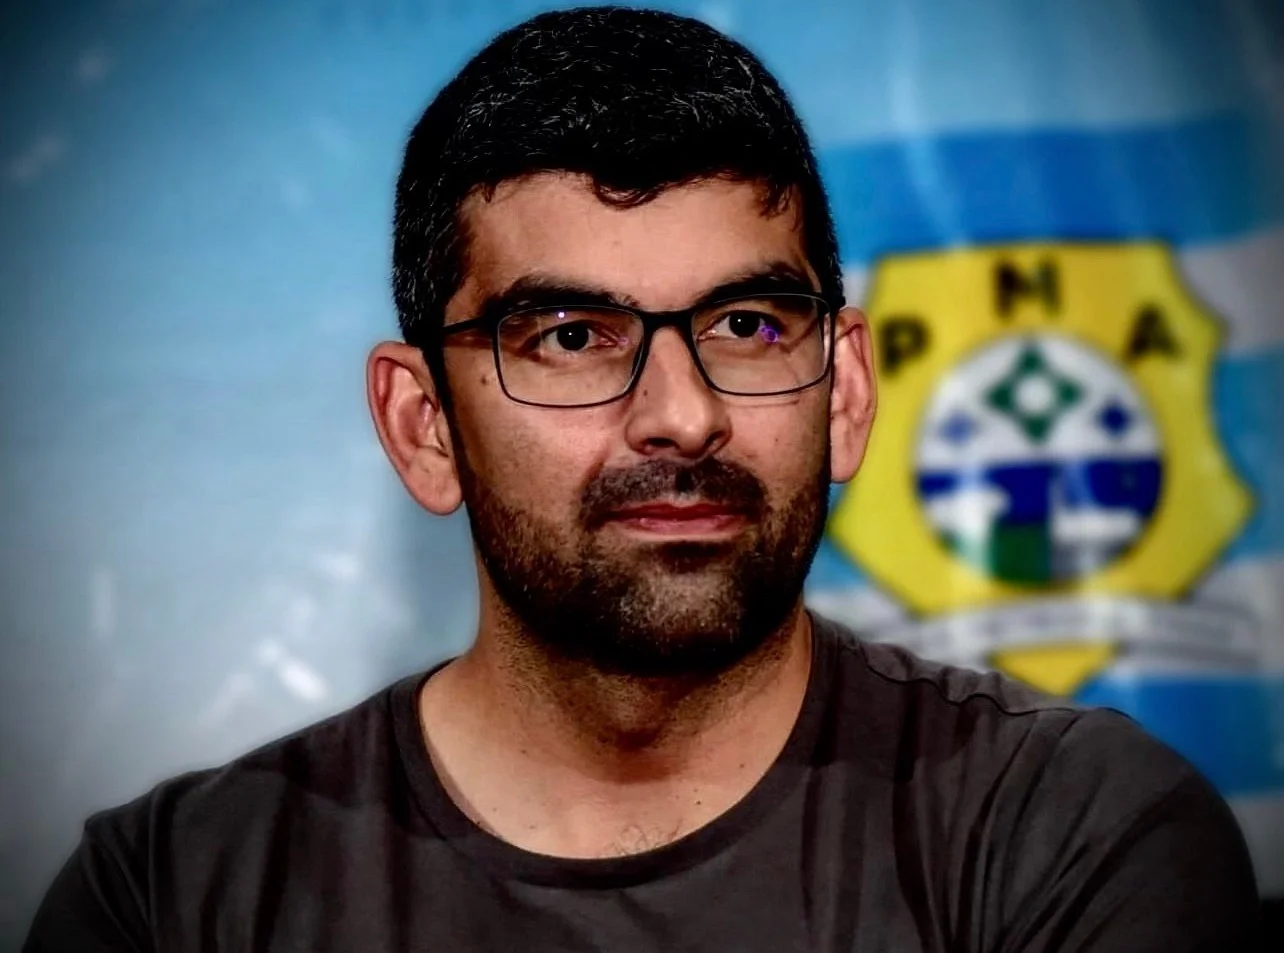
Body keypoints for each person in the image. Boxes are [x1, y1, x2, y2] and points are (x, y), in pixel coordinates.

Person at [24, 6, 1262, 952]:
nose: (682, 415)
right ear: (424, 425)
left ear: (846, 391)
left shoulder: (1076, 834)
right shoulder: (176, 894)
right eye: (572, 336)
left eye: (749, 325)